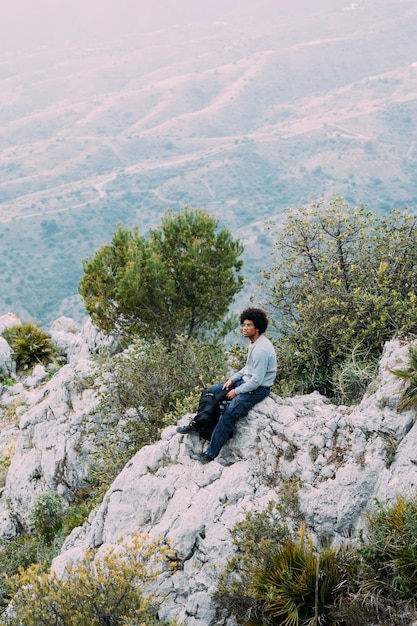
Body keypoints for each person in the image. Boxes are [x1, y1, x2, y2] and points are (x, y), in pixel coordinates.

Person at [177, 307, 277, 463]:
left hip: (257, 390)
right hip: (246, 381)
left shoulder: (261, 350)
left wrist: (236, 391)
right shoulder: (254, 343)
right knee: (213, 391)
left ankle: (210, 453)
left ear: (257, 327)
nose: (244, 328)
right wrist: (233, 379)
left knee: (230, 412)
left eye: (248, 325)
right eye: (243, 325)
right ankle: (199, 424)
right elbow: (248, 368)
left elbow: (257, 380)